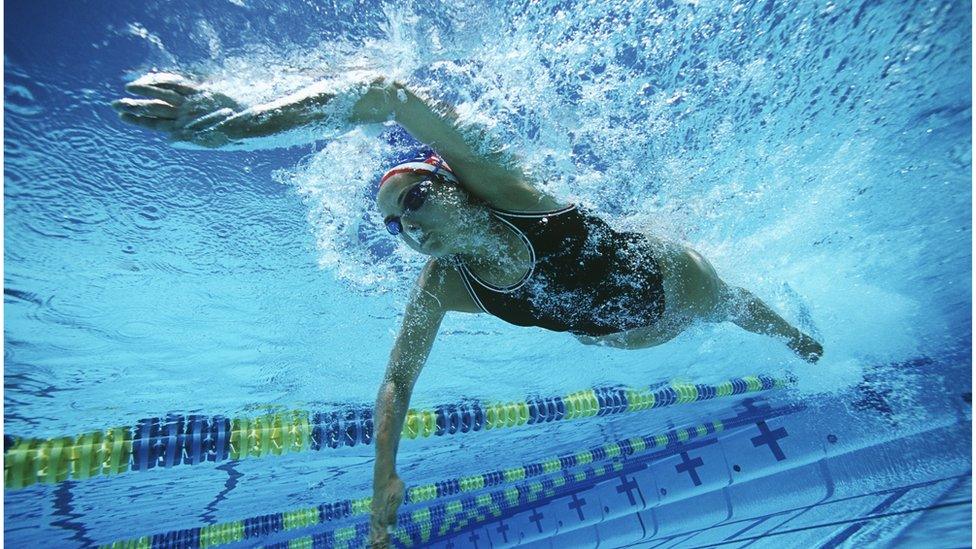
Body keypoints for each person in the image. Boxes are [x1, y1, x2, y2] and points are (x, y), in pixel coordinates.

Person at [113, 72, 823, 548]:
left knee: (729, 305)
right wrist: (383, 472)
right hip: (626, 335)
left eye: (414, 197)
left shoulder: (504, 186)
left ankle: (801, 341)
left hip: (671, 282)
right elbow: (397, 377)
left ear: (449, 183)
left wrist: (239, 122)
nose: (409, 225)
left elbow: (385, 91)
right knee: (635, 330)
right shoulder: (444, 284)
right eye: (394, 223)